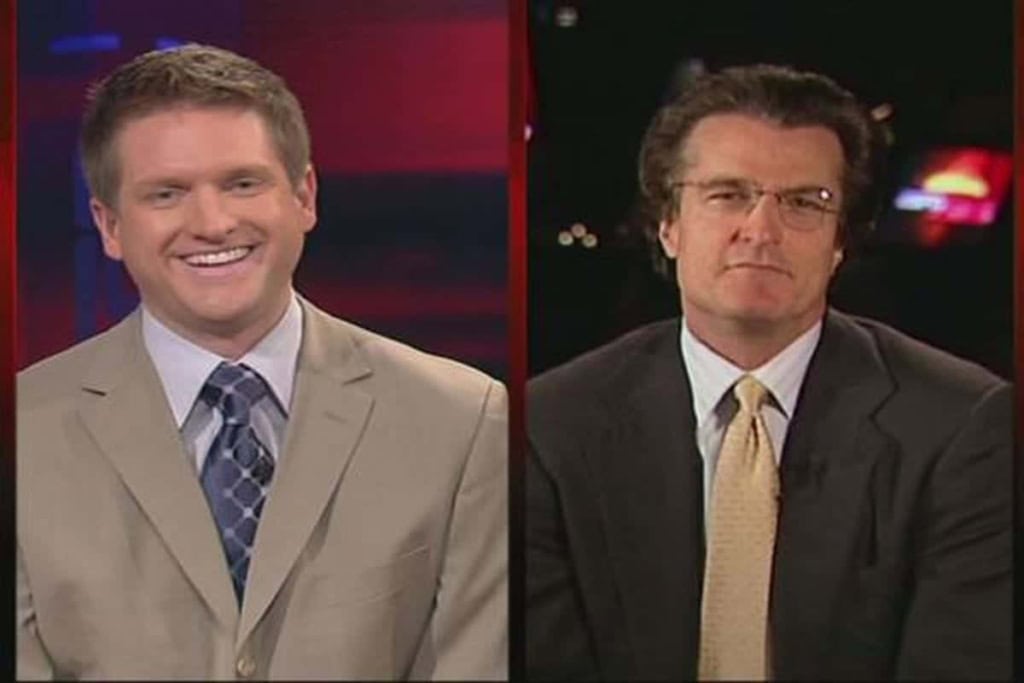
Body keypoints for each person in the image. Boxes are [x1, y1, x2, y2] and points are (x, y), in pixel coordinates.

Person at [17, 44, 507, 680]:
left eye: (242, 183)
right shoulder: (26, 431)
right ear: (109, 227)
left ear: (303, 197)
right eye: (166, 194)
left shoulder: (462, 419)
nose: (213, 222)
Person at [526, 64, 1010, 680]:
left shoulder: (960, 428)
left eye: (806, 202)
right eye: (728, 194)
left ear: (841, 242)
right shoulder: (549, 428)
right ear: (668, 225)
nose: (760, 230)